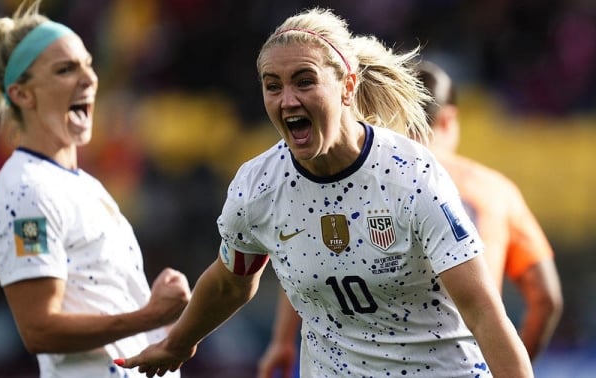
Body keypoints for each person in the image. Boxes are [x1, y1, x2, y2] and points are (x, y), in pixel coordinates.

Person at [119, 7, 533, 377]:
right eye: (272, 85)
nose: (287, 99)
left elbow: (483, 313)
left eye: (304, 81)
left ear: (347, 86)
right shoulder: (258, 186)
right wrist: (178, 343)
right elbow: (232, 281)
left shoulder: (411, 176)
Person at [256, 61, 563, 377]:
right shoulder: (494, 190)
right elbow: (546, 297)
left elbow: (313, 263)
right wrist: (509, 365)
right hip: (465, 359)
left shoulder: (353, 182)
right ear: (449, 119)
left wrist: (281, 339)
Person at [0, 1, 191, 377]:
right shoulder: (27, 189)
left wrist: (168, 326)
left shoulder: (85, 185)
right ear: (23, 94)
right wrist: (150, 315)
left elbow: (104, 305)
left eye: (88, 65)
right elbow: (39, 329)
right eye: (65, 69)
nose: (89, 79)